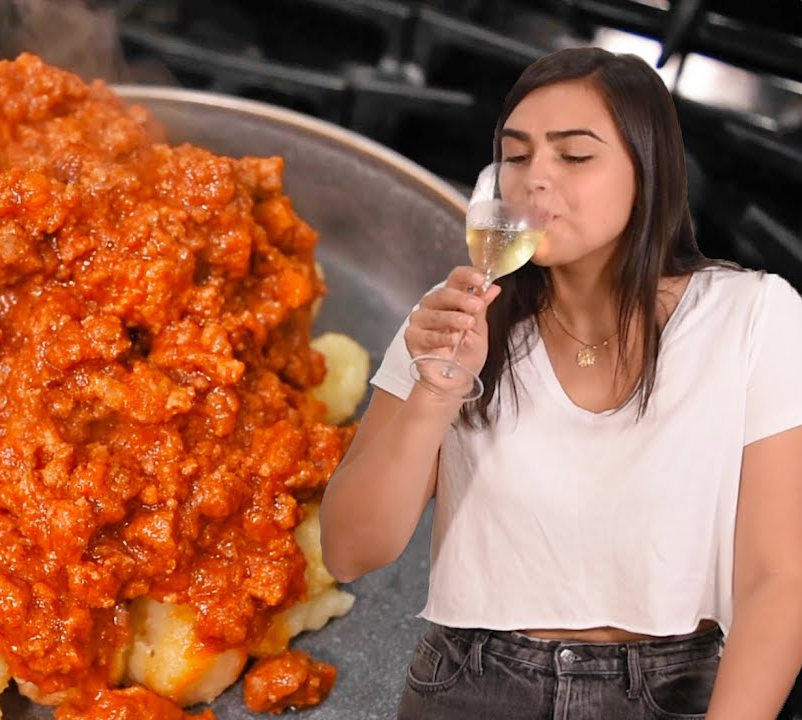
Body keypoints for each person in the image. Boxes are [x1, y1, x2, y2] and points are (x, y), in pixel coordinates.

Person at [319, 46, 802, 720]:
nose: (535, 180)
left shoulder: (753, 315)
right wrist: (434, 396)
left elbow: (780, 580)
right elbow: (348, 550)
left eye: (574, 156)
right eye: (516, 157)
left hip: (672, 691)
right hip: (470, 685)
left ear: (649, 172)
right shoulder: (452, 317)